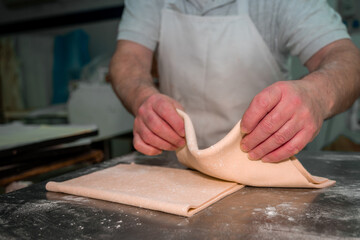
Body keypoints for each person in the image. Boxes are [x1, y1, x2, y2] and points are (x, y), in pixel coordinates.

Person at [109, 0, 360, 162]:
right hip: (179, 164)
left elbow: (346, 59)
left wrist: (317, 94)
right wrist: (142, 96)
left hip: (264, 164)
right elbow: (128, 57)